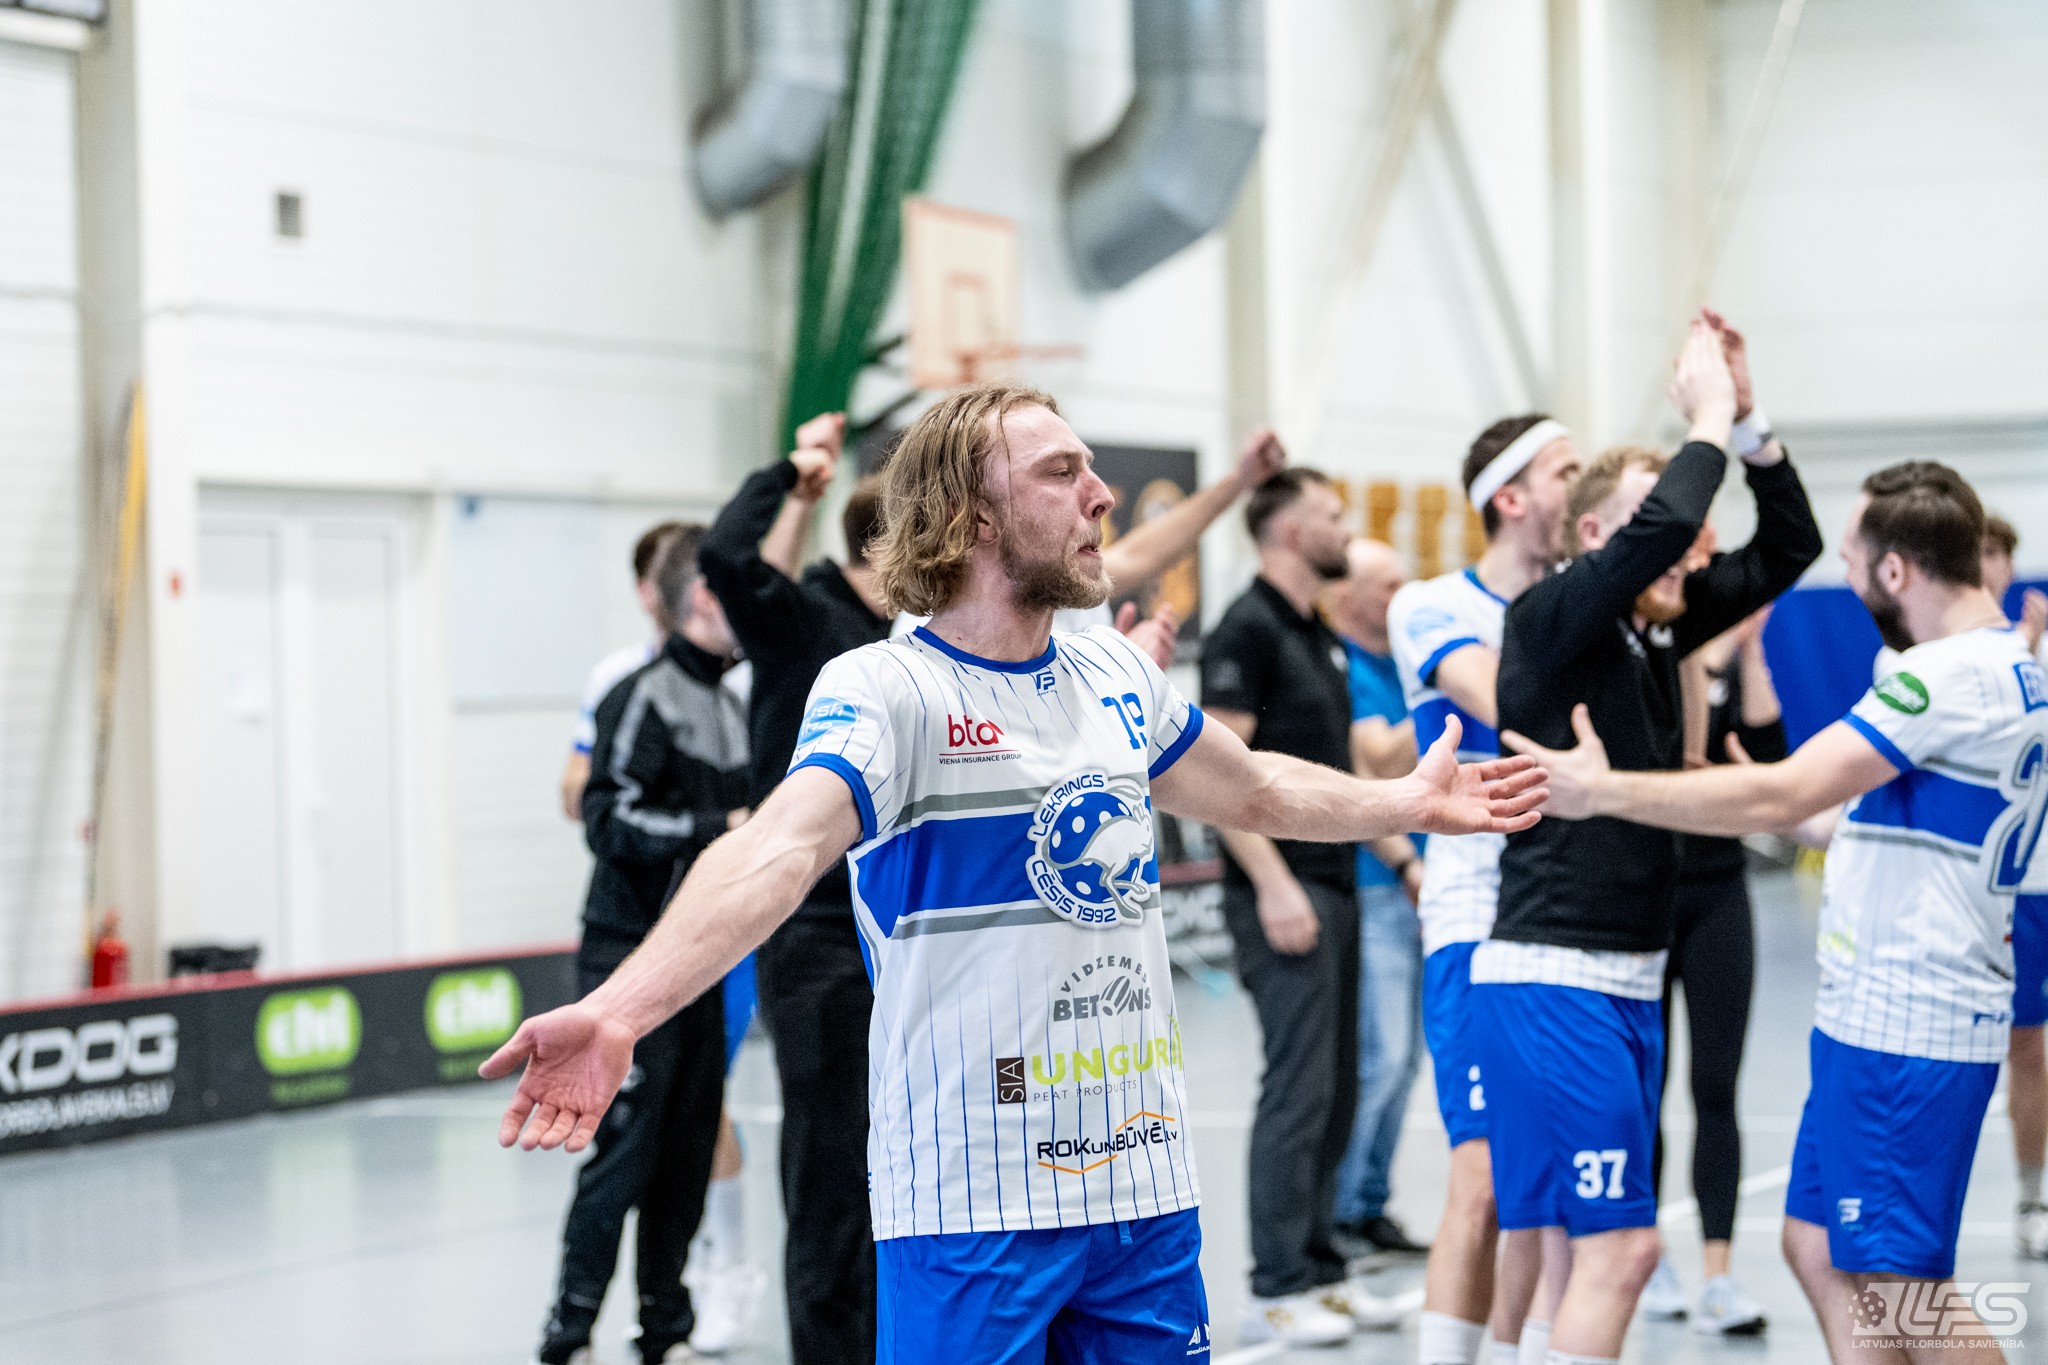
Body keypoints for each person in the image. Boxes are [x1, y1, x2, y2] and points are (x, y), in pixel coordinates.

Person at [484, 381, 1549, 1365]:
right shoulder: (886, 688)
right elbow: (776, 848)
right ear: (972, 518)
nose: (1101, 494)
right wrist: (620, 1010)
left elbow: (1257, 788)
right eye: (1061, 472)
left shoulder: (1112, 672)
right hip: (972, 1204)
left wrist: (1407, 802)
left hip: (1142, 1190)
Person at [1510, 460, 2047, 1364]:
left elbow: (1786, 790)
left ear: (1894, 570)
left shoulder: (1941, 676)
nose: (1845, 568)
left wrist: (1602, 790)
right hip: (1880, 1014)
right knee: (1817, 1247)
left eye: (1853, 556)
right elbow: (1856, 812)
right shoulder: (2008, 664)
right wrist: (1748, 794)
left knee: (1906, 1286)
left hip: (1908, 1020)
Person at [1474, 315, 1822, 1365]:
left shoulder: (1657, 626)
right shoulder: (1552, 615)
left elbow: (1790, 545)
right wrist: (1703, 417)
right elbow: (1665, 525)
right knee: (1620, 1253)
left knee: (1563, 1256)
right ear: (1594, 536)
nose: (1688, 543)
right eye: (1655, 525)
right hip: (1559, 975)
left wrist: (1748, 424)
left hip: (1618, 972)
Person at [696, 411, 894, 1365]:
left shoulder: (905, 643)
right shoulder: (801, 621)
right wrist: (792, 471)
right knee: (830, 1174)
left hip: (894, 930)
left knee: (893, 1170)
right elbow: (728, 556)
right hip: (815, 939)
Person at [1389, 412, 1582, 1365]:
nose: (1585, 485)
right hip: (1476, 919)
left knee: (1550, 1193)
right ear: (1510, 497)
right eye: (1566, 470)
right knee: (1483, 1182)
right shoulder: (1430, 605)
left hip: (1572, 918)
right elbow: (1517, 704)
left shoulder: (1585, 599)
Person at [538, 526, 753, 1365]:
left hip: (700, 961)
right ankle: (568, 1335)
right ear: (702, 597)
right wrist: (717, 827)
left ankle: (665, 1329)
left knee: (689, 1146)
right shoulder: (638, 695)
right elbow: (606, 817)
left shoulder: (731, 703)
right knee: (625, 1148)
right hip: (626, 957)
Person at [1203, 471, 1403, 1344]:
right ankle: (1276, 1283)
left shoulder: (1317, 632)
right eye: (1330, 514)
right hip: (1281, 894)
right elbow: (1214, 779)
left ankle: (1323, 1267)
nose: (1343, 528)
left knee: (1338, 1083)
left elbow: (1338, 775)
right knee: (1296, 1085)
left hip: (1338, 882)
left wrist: (1399, 853)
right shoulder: (1245, 628)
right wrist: (1273, 882)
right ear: (1288, 531)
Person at [1638, 604, 1783, 1335]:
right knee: (1647, 1087)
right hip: (1647, 896)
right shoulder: (1649, 660)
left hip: (1720, 892)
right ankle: (1649, 1257)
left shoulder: (1729, 665)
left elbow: (1769, 754)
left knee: (1716, 1086)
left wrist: (1750, 649)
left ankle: (1719, 1275)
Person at [1322, 537, 1433, 1258]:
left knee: (1409, 1060)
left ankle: (1369, 1204)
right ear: (1350, 595)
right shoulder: (1351, 667)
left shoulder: (1400, 664)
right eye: (1387, 584)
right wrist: (1451, 693)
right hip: (1376, 884)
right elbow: (1379, 760)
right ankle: (1338, 1210)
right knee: (1382, 1055)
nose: (1402, 594)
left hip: (1424, 881)